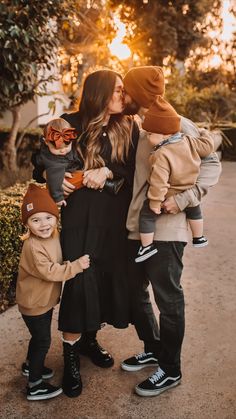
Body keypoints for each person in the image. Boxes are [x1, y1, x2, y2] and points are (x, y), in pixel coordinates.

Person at [32, 69, 139, 398]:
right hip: (79, 219)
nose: (123, 96)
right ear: (100, 92)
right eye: (118, 90)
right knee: (80, 281)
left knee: (105, 279)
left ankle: (90, 341)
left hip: (113, 220)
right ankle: (70, 357)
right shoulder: (67, 123)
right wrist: (57, 178)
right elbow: (41, 162)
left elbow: (134, 170)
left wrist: (106, 171)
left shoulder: (127, 127)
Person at [120, 66, 221, 396]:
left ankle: (171, 369)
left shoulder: (178, 123)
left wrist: (184, 199)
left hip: (168, 230)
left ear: (140, 94)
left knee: (169, 300)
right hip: (139, 228)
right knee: (135, 294)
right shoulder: (139, 124)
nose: (123, 96)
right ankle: (155, 347)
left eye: (127, 91)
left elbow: (212, 164)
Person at [16, 184, 90, 401]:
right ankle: (35, 385)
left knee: (38, 338)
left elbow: (57, 255)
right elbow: (50, 271)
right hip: (34, 304)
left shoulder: (53, 235)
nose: (43, 224)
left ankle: (30, 366)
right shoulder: (33, 246)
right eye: (35, 220)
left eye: (47, 217)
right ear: (27, 224)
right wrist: (76, 266)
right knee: (42, 341)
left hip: (43, 301)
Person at [135, 95, 214, 263]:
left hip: (169, 192)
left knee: (146, 214)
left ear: (163, 134)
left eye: (150, 133)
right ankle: (198, 237)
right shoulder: (188, 140)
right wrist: (204, 132)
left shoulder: (161, 154)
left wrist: (155, 202)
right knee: (195, 209)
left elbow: (159, 182)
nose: (147, 136)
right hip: (188, 188)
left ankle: (146, 247)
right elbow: (207, 147)